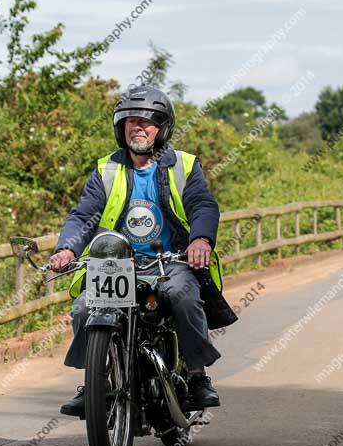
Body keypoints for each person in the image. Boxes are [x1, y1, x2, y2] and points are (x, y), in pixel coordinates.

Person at [49, 85, 234, 417]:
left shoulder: (184, 166)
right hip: (115, 265)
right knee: (81, 308)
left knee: (183, 296)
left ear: (162, 128)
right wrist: (66, 248)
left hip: (170, 260)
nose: (138, 127)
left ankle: (196, 375)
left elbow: (202, 205)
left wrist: (200, 240)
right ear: (120, 128)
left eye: (148, 121)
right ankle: (97, 384)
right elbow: (83, 215)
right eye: (130, 120)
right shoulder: (107, 169)